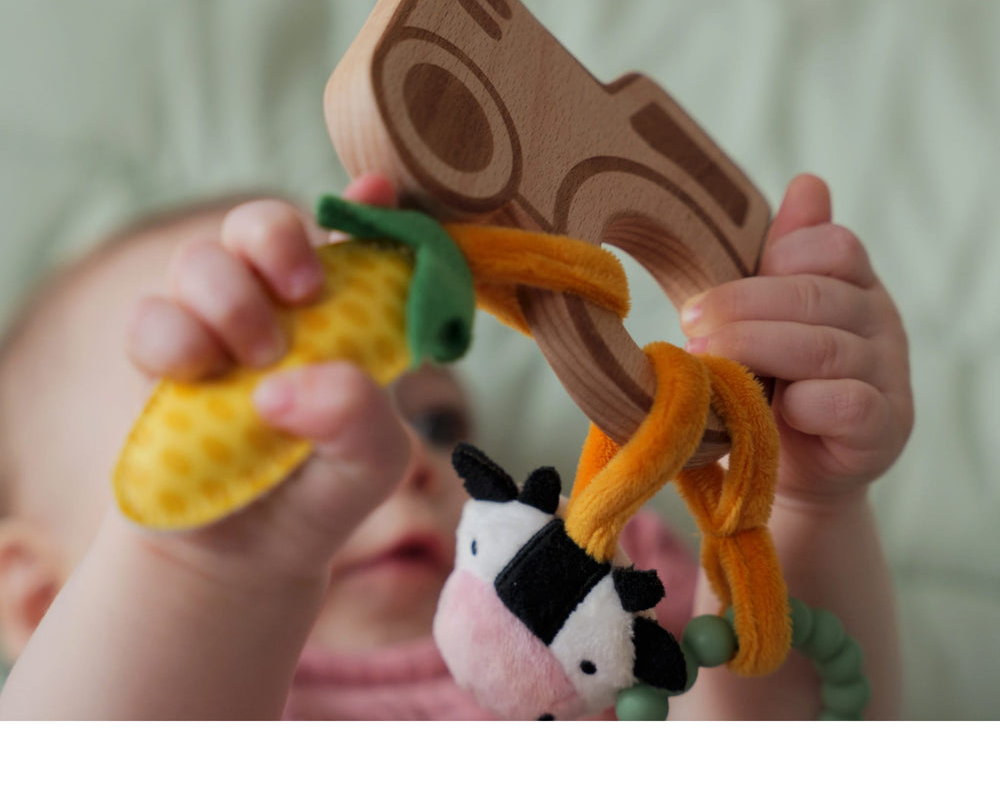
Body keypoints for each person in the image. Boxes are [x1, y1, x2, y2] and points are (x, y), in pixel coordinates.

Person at [0, 172, 912, 720]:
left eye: (436, 422)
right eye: (275, 428)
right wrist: (210, 573)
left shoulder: (589, 585)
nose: (397, 461)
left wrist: (793, 500)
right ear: (38, 604)